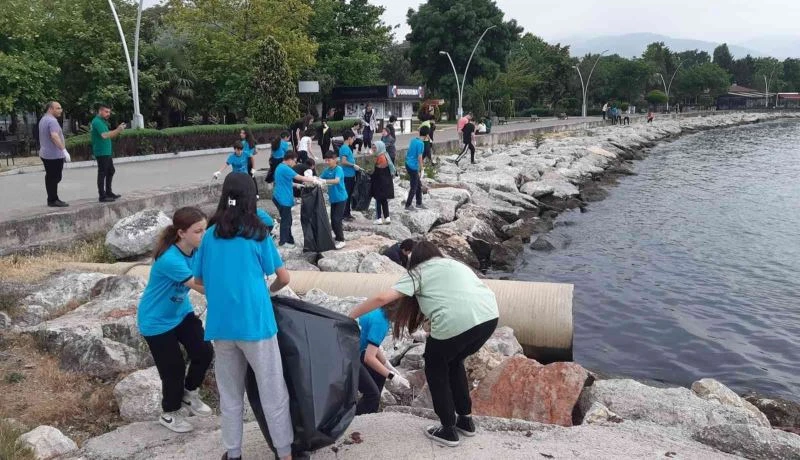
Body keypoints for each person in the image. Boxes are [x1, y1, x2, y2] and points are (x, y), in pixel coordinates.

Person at [348, 241, 499, 447]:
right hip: (489, 317)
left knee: (435, 368)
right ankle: (465, 420)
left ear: (415, 260)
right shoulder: (454, 264)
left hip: (456, 322)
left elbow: (383, 297)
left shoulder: (418, 272)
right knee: (454, 363)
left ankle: (448, 429)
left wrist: (350, 316)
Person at [192, 173, 294, 460]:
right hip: (257, 325)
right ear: (251, 197)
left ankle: (233, 453)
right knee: (272, 390)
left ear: (225, 195)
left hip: (221, 326)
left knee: (231, 395)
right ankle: (284, 453)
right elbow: (283, 277)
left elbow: (198, 279)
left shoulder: (210, 235)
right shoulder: (257, 233)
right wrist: (267, 291)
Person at [137, 207, 214, 433]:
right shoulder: (170, 258)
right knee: (173, 369)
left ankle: (190, 394)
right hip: (156, 321)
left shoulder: (197, 249)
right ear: (181, 233)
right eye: (198, 231)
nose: (203, 235)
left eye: (205, 230)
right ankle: (169, 413)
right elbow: (199, 286)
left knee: (203, 351)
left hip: (181, 312)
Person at [355, 306, 410, 414]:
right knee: (373, 395)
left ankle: (370, 411)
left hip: (353, 351)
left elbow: (371, 345)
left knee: (379, 374)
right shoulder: (381, 323)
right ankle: (355, 421)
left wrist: (388, 366)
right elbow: (369, 358)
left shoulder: (379, 312)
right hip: (345, 358)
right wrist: (393, 377)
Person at [272, 150, 320, 248]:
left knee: (287, 219)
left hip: (279, 196)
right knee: (286, 220)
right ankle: (283, 242)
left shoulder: (280, 167)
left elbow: (286, 181)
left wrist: (298, 186)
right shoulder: (285, 168)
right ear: (289, 160)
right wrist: (315, 179)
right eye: (294, 161)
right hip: (282, 198)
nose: (295, 163)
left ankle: (289, 239)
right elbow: (300, 177)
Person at [38, 101, 71, 207]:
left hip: (45, 153)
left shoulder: (43, 119)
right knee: (55, 177)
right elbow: (54, 136)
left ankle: (51, 198)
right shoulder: (52, 121)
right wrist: (64, 150)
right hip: (53, 155)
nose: (60, 110)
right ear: (50, 109)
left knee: (51, 177)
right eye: (58, 108)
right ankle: (53, 199)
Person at [90, 104, 125, 203]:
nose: (108, 114)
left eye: (109, 112)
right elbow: (105, 135)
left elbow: (108, 133)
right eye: (106, 112)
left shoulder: (102, 122)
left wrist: (117, 130)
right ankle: (102, 195)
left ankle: (108, 192)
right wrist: (118, 130)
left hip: (106, 151)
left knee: (110, 171)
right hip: (101, 152)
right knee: (102, 173)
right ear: (100, 111)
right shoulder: (97, 122)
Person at [319, 151, 348, 249]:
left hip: (341, 198)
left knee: (337, 219)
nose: (327, 162)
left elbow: (336, 181)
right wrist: (311, 179)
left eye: (329, 160)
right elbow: (319, 178)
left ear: (335, 159)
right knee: (333, 220)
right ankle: (337, 237)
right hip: (333, 199)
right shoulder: (327, 170)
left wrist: (324, 181)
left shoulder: (338, 169)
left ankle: (341, 240)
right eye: (326, 160)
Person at [370, 140, 395, 225]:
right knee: (384, 200)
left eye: (375, 147)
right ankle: (387, 217)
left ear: (379, 147)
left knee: (378, 200)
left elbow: (372, 169)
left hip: (379, 182)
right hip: (386, 182)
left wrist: (370, 156)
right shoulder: (386, 155)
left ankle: (379, 218)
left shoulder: (378, 157)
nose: (373, 149)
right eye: (373, 147)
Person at [339, 130, 361, 221]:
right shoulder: (344, 148)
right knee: (347, 195)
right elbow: (343, 161)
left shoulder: (347, 147)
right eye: (353, 138)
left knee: (349, 194)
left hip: (350, 174)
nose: (353, 140)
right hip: (347, 175)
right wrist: (353, 165)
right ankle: (345, 214)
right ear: (349, 138)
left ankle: (347, 213)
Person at [404, 126, 428, 211]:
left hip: (407, 164)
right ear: (427, 135)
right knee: (414, 186)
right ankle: (408, 204)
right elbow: (419, 157)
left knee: (418, 185)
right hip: (413, 166)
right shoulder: (421, 144)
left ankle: (419, 203)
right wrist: (422, 168)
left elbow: (409, 151)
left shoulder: (413, 140)